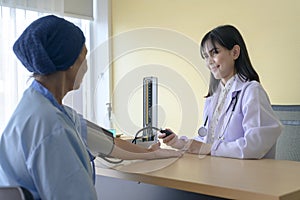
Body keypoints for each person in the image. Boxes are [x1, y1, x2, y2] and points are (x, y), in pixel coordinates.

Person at [0, 15, 181, 200]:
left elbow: (107, 142)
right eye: (84, 57)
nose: (86, 67)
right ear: (70, 63)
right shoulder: (51, 126)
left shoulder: (41, 108)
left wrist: (151, 153)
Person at [159, 25, 282, 159]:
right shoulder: (214, 97)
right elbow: (207, 141)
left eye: (215, 53)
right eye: (206, 56)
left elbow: (254, 146)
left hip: (247, 174)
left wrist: (210, 148)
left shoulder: (252, 91)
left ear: (235, 52)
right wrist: (180, 143)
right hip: (218, 171)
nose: (209, 62)